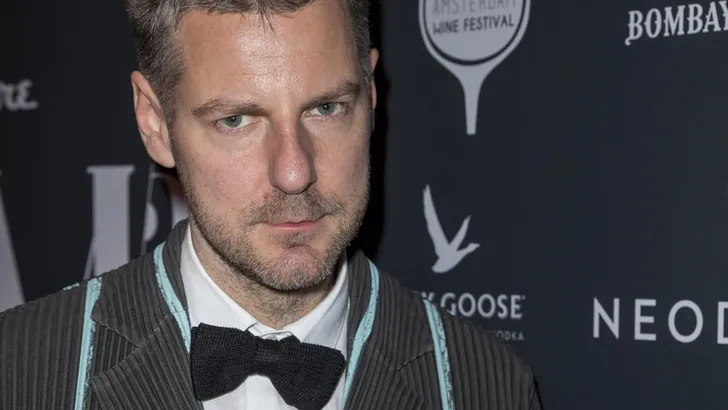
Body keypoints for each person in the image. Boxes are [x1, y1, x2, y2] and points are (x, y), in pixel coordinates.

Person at [0, 0, 543, 409]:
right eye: (236, 120)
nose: (294, 172)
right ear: (156, 123)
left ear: (371, 95)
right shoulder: (18, 369)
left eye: (327, 108)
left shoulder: (487, 386)